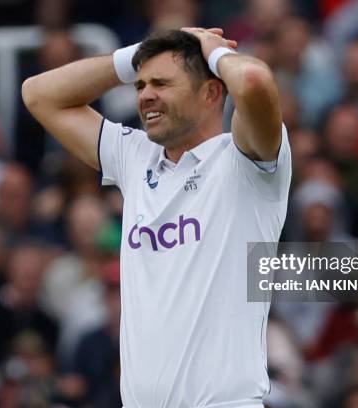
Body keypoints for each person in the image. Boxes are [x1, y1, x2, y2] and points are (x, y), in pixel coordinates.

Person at [22, 27, 291, 407]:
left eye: (162, 83)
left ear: (210, 92)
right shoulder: (135, 158)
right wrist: (137, 56)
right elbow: (38, 94)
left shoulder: (244, 161)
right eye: (140, 84)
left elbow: (251, 80)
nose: (145, 94)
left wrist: (213, 53)